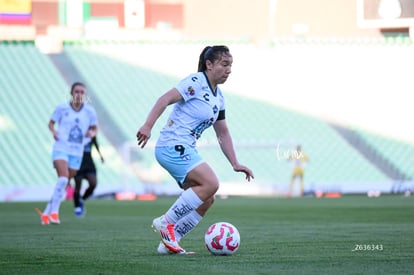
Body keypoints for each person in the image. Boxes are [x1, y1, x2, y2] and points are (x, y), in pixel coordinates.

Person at [136, 45, 254, 254]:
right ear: (209, 65)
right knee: (211, 183)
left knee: (207, 198)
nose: (229, 70)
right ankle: (165, 222)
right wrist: (147, 125)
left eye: (230, 66)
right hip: (171, 145)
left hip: (183, 147)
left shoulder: (219, 98)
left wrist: (235, 163)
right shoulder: (196, 82)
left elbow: (223, 132)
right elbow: (164, 99)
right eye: (224, 64)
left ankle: (170, 242)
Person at [39, 82, 98, 225]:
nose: (79, 94)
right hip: (61, 147)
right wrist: (54, 132)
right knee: (64, 179)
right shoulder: (62, 108)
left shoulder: (89, 112)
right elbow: (51, 123)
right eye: (76, 91)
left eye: (82, 92)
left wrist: (92, 132)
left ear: (85, 95)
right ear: (71, 93)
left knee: (63, 183)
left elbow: (95, 128)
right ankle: (54, 213)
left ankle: (46, 213)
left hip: (77, 152)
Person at [73, 135, 104, 217]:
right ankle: (77, 207)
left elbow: (95, 143)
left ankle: (82, 200)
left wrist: (100, 155)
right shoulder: (78, 132)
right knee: (77, 187)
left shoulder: (91, 133)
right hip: (78, 162)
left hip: (89, 162)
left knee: (93, 184)